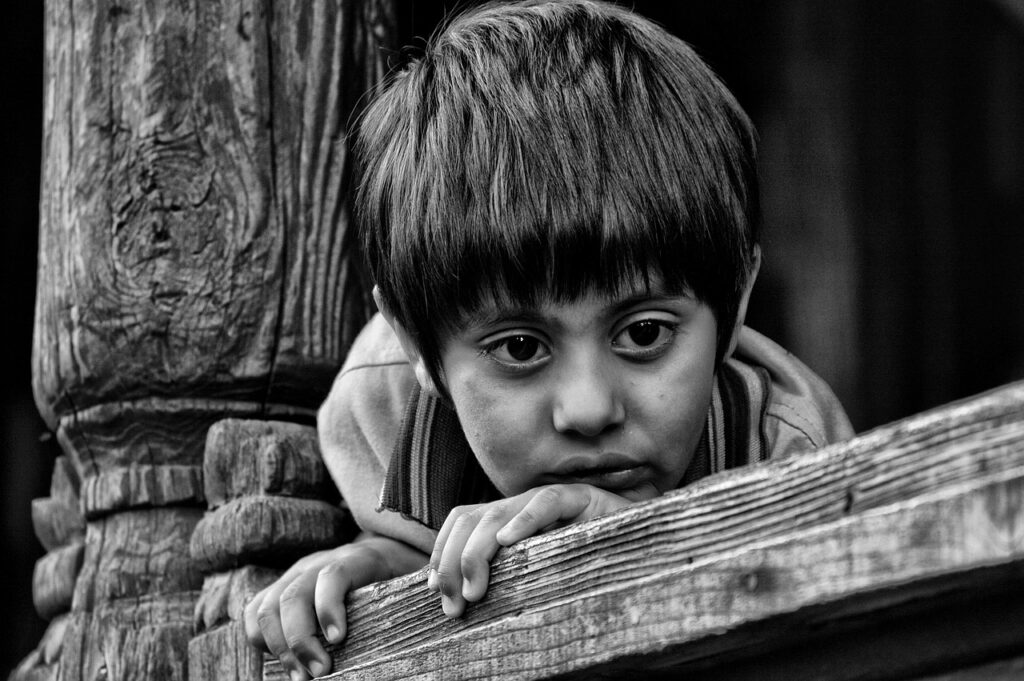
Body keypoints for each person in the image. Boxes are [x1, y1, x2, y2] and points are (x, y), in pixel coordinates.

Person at [244, 1, 854, 678]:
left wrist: (636, 541)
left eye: (644, 333)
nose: (589, 409)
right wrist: (382, 563)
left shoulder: (789, 449)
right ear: (417, 348)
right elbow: (420, 551)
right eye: (520, 348)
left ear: (735, 306)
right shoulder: (379, 412)